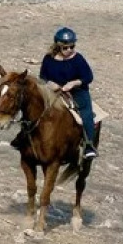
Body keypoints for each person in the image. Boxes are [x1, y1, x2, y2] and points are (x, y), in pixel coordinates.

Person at [38, 26, 98, 160]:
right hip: (54, 91)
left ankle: (89, 145)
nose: (69, 50)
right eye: (66, 48)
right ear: (58, 46)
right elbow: (43, 75)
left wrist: (74, 83)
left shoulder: (78, 59)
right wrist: (50, 83)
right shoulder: (49, 58)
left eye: (72, 47)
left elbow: (88, 77)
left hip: (76, 91)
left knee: (86, 112)